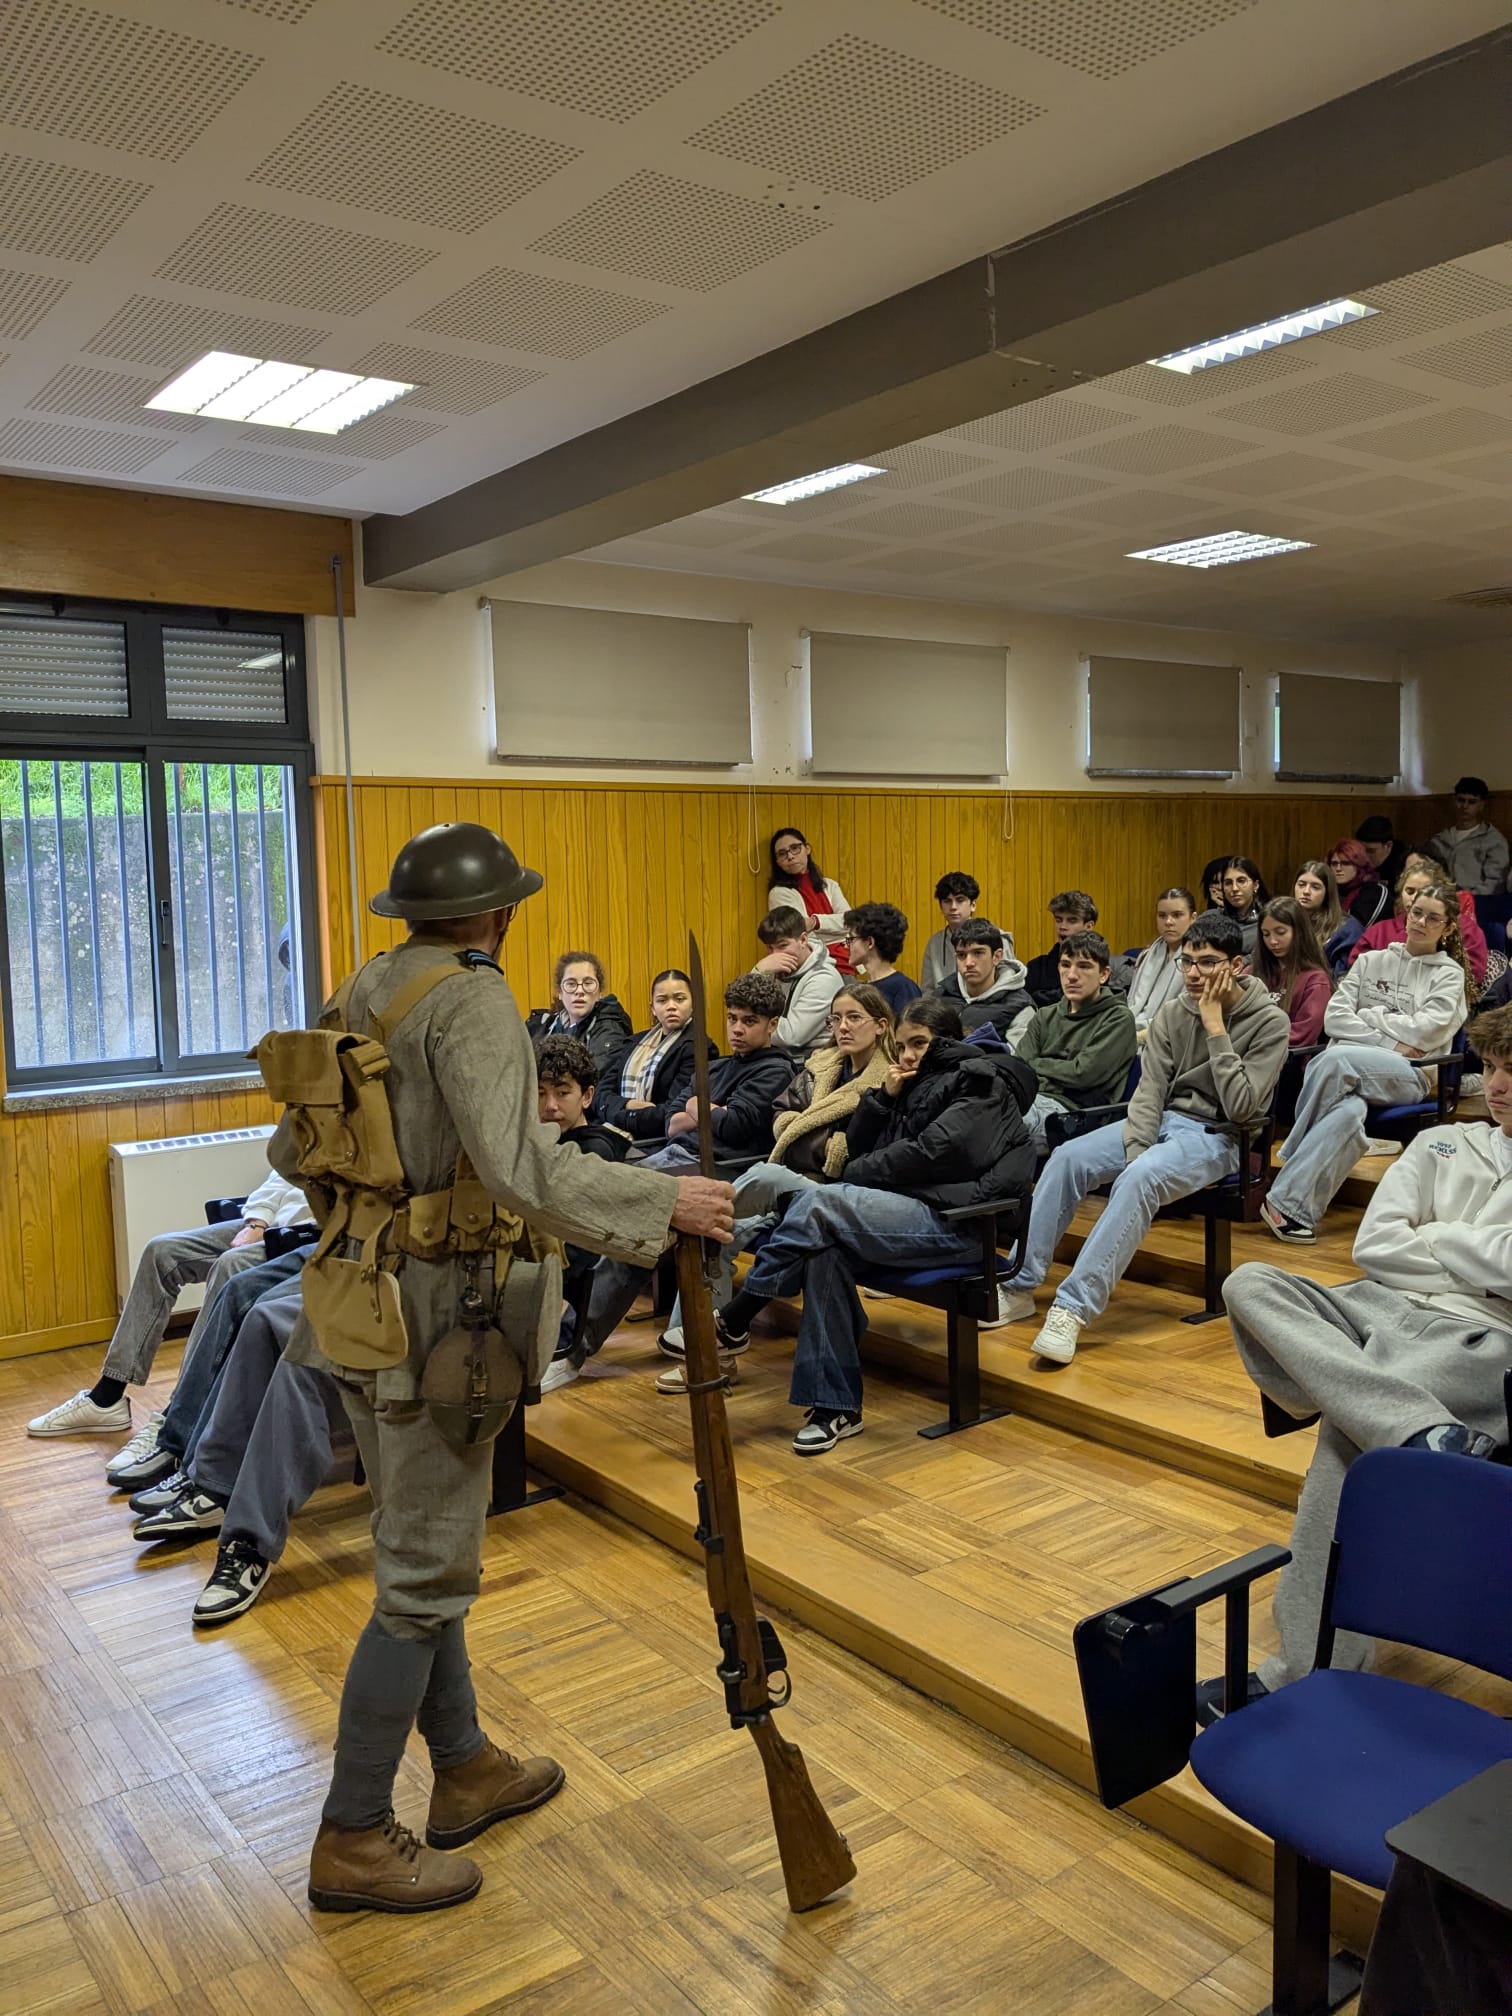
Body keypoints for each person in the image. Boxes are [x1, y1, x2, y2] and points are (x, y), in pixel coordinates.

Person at [269, 820, 731, 1914]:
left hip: (358, 1300)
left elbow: (294, 1150)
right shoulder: (472, 996)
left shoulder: (369, 981)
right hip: (440, 1321)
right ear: (499, 913)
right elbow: (521, 1167)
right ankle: (355, 1836)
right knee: (424, 1575)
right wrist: (662, 1200)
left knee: (429, 1546)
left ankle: (465, 1765)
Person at [1201, 999, 1512, 1724]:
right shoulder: (1440, 1141)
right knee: (1248, 1283)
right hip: (1381, 1306)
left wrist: (1434, 1238)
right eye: (1492, 1067)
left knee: (1347, 1445)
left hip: (1481, 1339)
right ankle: (1414, 1427)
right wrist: (1471, 1252)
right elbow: (1374, 1244)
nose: (1497, 1085)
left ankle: (1305, 1675)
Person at [709, 998, 1034, 1454]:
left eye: (919, 1044)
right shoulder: (911, 1086)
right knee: (824, 1249)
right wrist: (882, 1101)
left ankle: (741, 1313)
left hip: (958, 1228)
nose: (906, 1055)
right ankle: (834, 1406)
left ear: (949, 1041)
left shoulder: (982, 1084)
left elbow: (930, 1154)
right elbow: (860, 1151)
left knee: (821, 1205)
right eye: (901, 1045)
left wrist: (861, 1173)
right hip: (901, 1213)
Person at [998, 912, 1289, 1365]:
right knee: (1069, 1157)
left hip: (1220, 1135)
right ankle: (1019, 1283)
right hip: (1163, 1120)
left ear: (1236, 965)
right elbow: (1150, 1091)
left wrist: (1216, 1029)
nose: (1193, 974)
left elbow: (1243, 1107)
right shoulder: (1175, 1012)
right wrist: (1138, 1149)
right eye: (1187, 962)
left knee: (1142, 1179)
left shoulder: (1270, 1022)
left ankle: (1072, 1309)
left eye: (1206, 963)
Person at [576, 983, 898, 1392]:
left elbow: (764, 1127)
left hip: (811, 1183)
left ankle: (610, 1332)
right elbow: (679, 1118)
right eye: (836, 1019)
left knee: (686, 1205)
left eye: (854, 1018)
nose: (842, 1027)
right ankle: (704, 1358)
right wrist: (707, 1112)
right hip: (771, 1170)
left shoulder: (877, 1078)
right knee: (714, 1230)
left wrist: (801, 1136)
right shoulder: (821, 1067)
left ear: (882, 1025)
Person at [541, 974, 790, 1391]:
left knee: (636, 1230)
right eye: (732, 1019)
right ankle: (556, 1329)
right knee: (596, 1196)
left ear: (772, 1025)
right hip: (672, 1156)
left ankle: (571, 1346)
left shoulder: (777, 1068)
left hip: (722, 1170)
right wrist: (704, 1108)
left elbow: (737, 1125)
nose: (738, 1029)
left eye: (750, 1021)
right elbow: (674, 1122)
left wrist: (704, 1110)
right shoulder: (714, 1066)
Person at [25, 1170, 312, 1447]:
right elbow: (283, 1172)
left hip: (308, 1239)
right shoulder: (315, 1123)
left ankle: (178, 1415)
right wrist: (256, 1222)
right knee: (161, 1251)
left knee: (231, 1265)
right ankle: (107, 1397)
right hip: (271, 1224)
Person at [1262, 886, 1476, 1243]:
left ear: (1449, 928)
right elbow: (1335, 1019)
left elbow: (1425, 1034)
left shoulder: (1449, 975)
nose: (1421, 922)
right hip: (1355, 1069)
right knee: (1347, 1111)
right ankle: (1289, 1207)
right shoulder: (1370, 961)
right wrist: (1390, 1037)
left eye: (1433, 917)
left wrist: (1368, 1017)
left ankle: (1291, 1151)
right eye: (1417, 912)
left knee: (1333, 1058)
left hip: (1410, 1076)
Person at [534, 1033, 630, 1383]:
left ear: (587, 1095)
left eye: (562, 1092)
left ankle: (566, 1349)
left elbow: (582, 1244)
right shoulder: (537, 1141)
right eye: (541, 1092)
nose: (550, 1106)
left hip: (566, 1284)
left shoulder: (596, 1152)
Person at [1013, 930, 1138, 1153]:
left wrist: (1038, 1064)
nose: (1071, 975)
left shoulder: (1118, 1018)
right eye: (1065, 964)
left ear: (1104, 974)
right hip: (1030, 1098)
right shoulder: (1044, 1015)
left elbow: (1082, 1074)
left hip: (1072, 1114)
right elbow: (1019, 1068)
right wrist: (1052, 1072)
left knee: (1000, 1122)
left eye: (1084, 966)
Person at [596, 968, 708, 1140]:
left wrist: (620, 1114)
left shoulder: (699, 1047)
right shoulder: (633, 1043)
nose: (671, 1006)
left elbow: (673, 1111)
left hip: (657, 1141)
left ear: (694, 1004)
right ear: (653, 1008)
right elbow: (600, 1094)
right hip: (616, 1128)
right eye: (662, 1000)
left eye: (680, 999)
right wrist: (628, 1104)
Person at [1349, 851, 1490, 984]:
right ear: (1400, 892)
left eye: (1424, 891)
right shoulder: (1380, 930)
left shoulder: (1465, 928)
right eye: (1409, 891)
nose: (1415, 898)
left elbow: (1472, 975)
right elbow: (1356, 968)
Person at [524, 951, 633, 1080]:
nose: (580, 991)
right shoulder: (544, 1026)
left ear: (600, 993)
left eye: (588, 983)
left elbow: (592, 1081)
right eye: (571, 984)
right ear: (560, 992)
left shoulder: (611, 1029)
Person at [752, 907, 843, 1052]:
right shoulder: (769, 970)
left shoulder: (824, 979)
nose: (775, 955)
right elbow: (743, 1009)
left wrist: (753, 1026)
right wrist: (757, 974)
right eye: (769, 948)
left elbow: (790, 1037)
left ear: (803, 939)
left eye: (782, 946)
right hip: (775, 1058)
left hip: (806, 1063)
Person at [933, 917, 1033, 1043]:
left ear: (997, 956)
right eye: (961, 955)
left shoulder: (1020, 1006)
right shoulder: (939, 996)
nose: (968, 963)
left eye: (978, 953)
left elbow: (1016, 1060)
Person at [766, 827, 852, 972]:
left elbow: (851, 922)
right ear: (777, 862)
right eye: (782, 854)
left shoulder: (830, 885)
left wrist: (815, 922)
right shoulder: (778, 893)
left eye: (795, 848)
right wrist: (838, 933)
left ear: (807, 849)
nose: (790, 856)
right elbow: (799, 935)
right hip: (814, 966)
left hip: (847, 960)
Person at [1253, 897, 1333, 1046]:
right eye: (1266, 934)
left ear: (1299, 932)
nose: (1273, 941)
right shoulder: (1252, 971)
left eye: (1280, 932)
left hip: (1286, 1060)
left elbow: (1302, 1035)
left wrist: (1254, 1040)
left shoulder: (1315, 980)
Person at [1126, 888, 1197, 1041]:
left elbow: (1184, 1017)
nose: (1168, 922)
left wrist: (1138, 1037)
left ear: (1193, 918)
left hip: (1171, 1037)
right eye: (1162, 915)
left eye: (1177, 915)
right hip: (1132, 1025)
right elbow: (1132, 1003)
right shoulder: (1147, 954)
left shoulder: (1198, 961)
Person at [1430, 776, 1508, 895]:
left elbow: (1496, 881)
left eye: (1472, 802)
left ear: (1481, 805)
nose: (1465, 806)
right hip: (1442, 900)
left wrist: (1467, 898)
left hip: (1478, 901)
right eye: (1461, 800)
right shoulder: (1440, 839)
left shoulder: (1493, 840)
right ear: (1454, 801)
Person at [842, 902, 921, 1019]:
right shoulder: (862, 989)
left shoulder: (904, 988)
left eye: (851, 939)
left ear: (870, 942)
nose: (845, 946)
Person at [1023, 891, 1100, 1005]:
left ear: (1088, 926)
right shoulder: (1036, 966)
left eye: (1072, 920)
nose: (1062, 927)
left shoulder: (1098, 965)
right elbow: (1024, 1002)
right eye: (1058, 920)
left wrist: (1041, 995)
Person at [920, 871, 987, 995]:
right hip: (942, 1011)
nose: (953, 907)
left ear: (973, 905)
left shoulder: (993, 937)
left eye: (960, 900)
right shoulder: (934, 943)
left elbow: (1008, 981)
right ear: (941, 907)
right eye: (947, 901)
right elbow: (927, 990)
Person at [1327, 837, 1393, 933]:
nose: (1338, 868)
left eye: (1345, 863)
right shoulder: (1329, 890)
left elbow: (1355, 929)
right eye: (1334, 864)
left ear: (1358, 865)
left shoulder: (1375, 892)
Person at [1210, 857, 1269, 960]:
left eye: (1241, 881)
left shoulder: (1268, 920)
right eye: (1228, 883)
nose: (1234, 888)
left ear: (1255, 885)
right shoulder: (1211, 918)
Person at [1291, 859, 1346, 965]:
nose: (1306, 892)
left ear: (1328, 893)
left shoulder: (1344, 929)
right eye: (1301, 885)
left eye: (1315, 887)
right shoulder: (1283, 919)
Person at [1354, 813, 1407, 893]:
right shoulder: (1354, 862)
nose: (1364, 856)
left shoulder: (1404, 866)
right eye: (1360, 849)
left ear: (1388, 846)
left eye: (1371, 851)